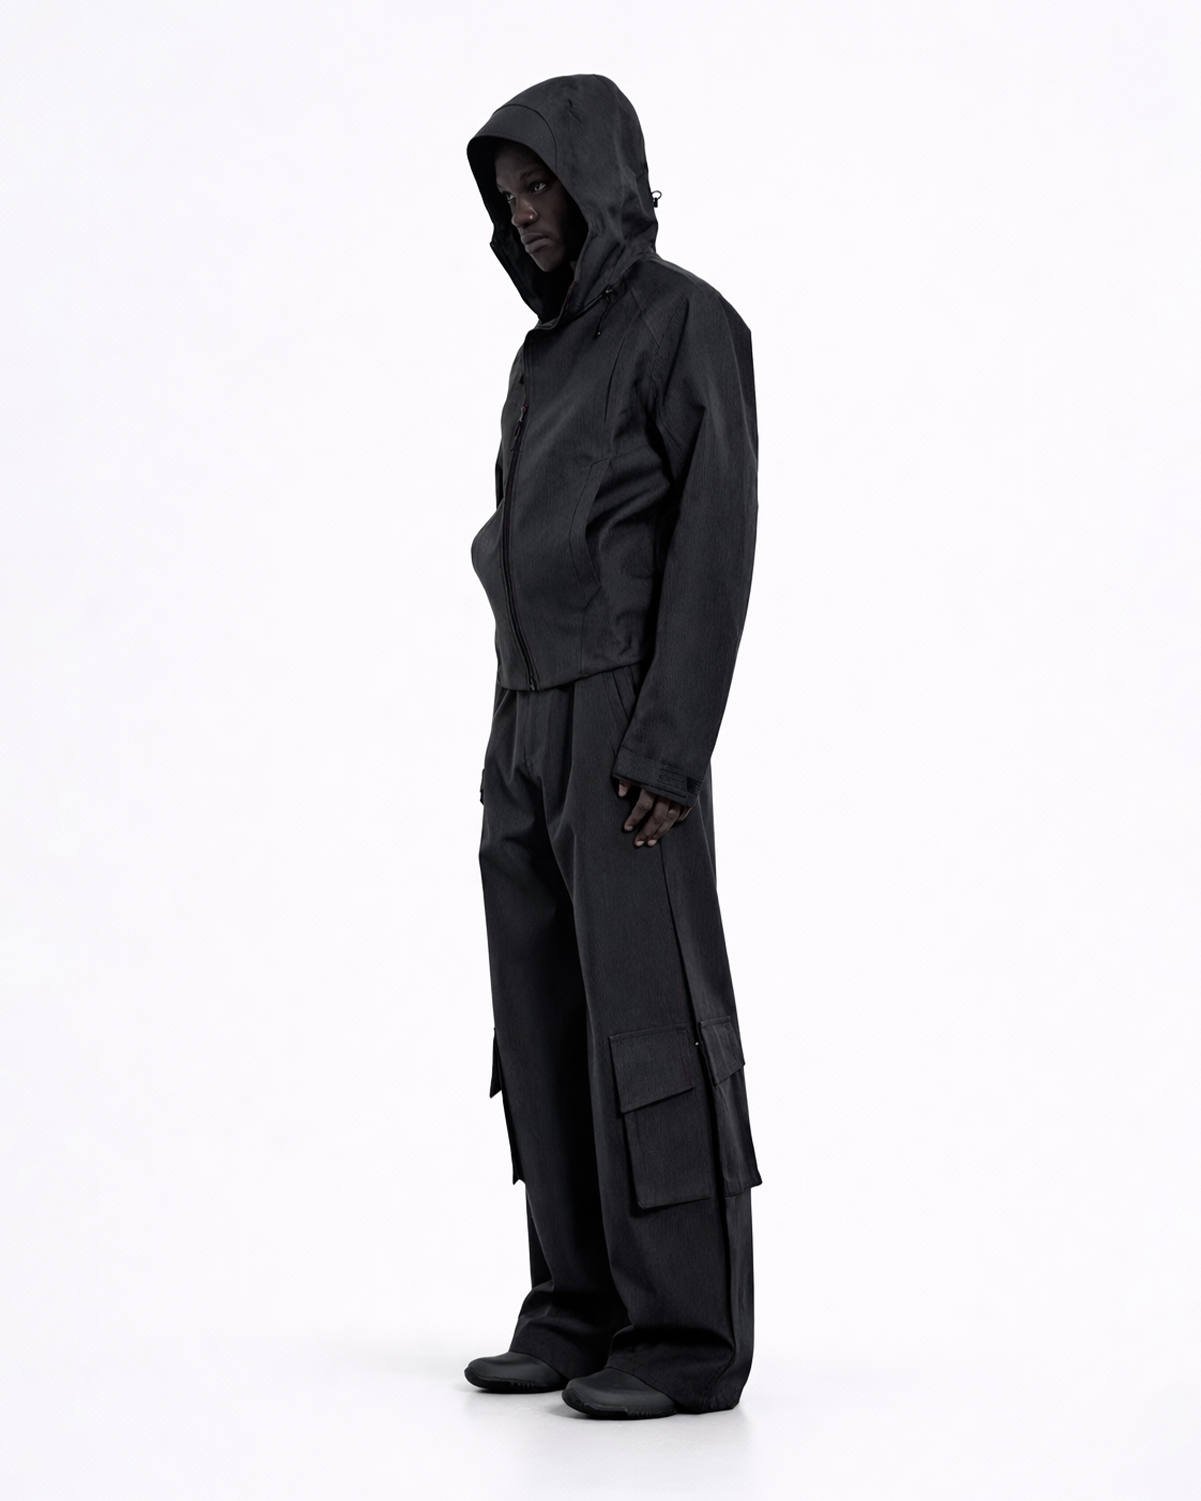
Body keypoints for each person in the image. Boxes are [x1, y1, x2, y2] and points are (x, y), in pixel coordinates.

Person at [463, 74, 761, 1420]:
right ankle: (576, 1307)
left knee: (649, 1018)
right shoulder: (541, 358)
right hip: (523, 717)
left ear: (601, 180)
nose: (525, 215)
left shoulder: (688, 324)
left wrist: (670, 744)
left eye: (542, 186)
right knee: (541, 1021)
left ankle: (685, 1336)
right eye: (508, 195)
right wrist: (512, 729)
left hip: (625, 721)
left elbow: (716, 535)